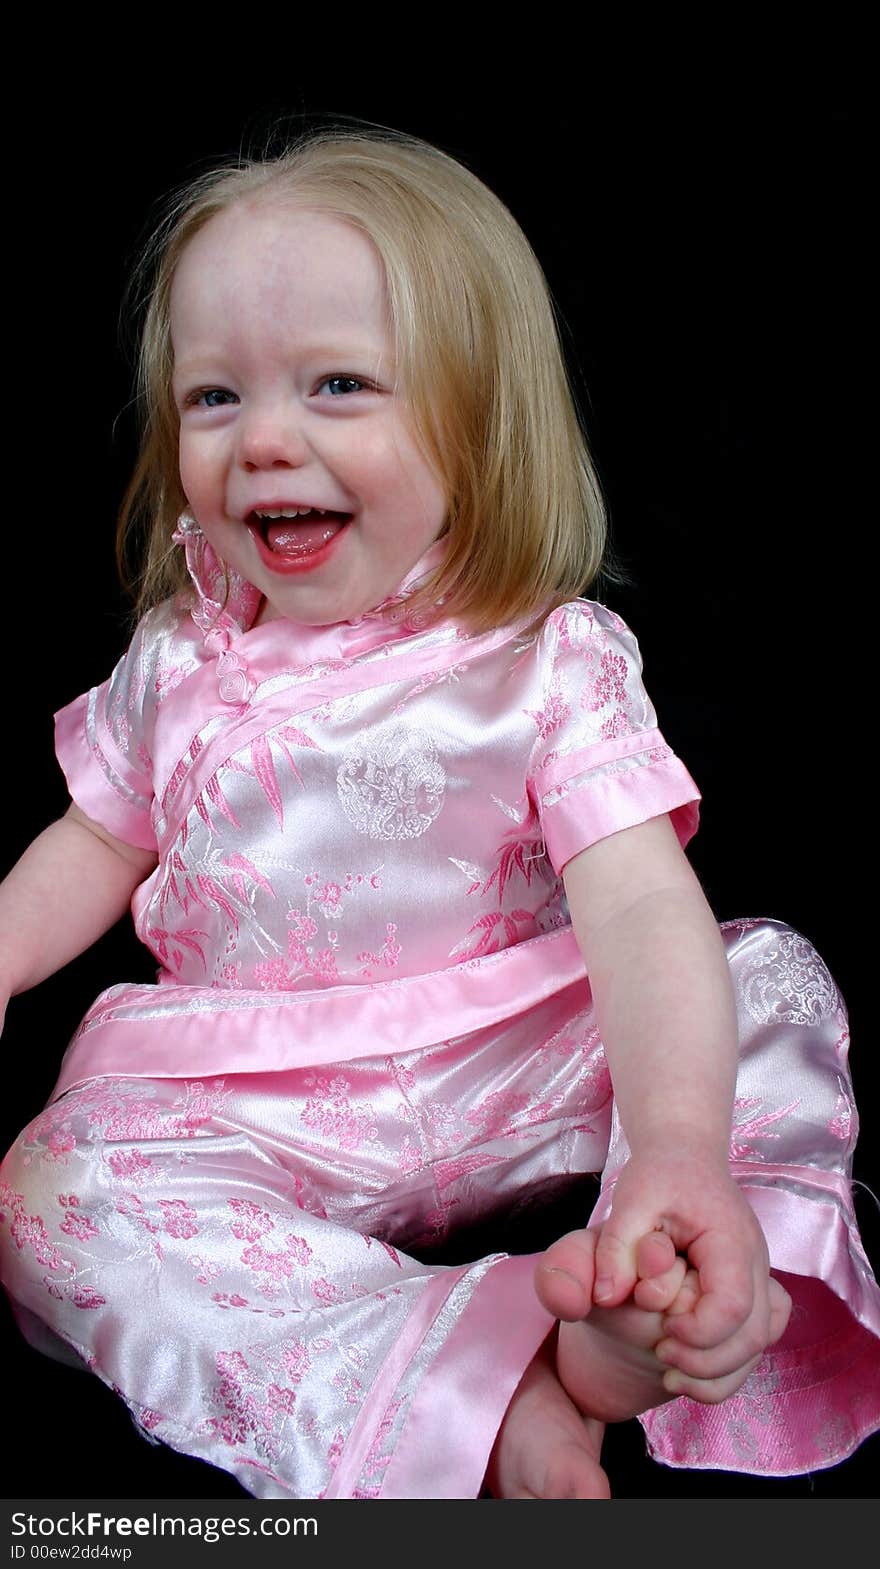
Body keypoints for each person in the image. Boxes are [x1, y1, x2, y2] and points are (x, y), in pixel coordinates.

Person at [0, 123, 877, 1502]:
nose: (265, 438)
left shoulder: (541, 656)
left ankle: (671, 1278)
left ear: (478, 420)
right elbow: (96, 842)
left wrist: (674, 1140)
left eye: (338, 384)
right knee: (54, 1197)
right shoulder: (179, 659)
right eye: (215, 397)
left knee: (755, 995)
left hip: (521, 1047)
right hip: (258, 1093)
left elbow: (643, 903)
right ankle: (469, 1381)